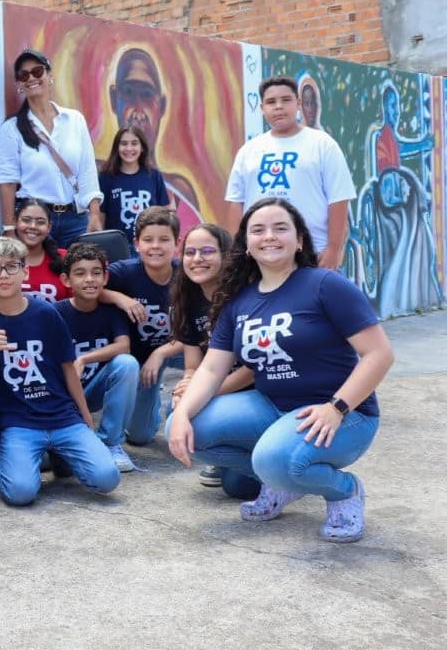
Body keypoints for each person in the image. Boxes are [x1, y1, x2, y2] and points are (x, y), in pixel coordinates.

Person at [167, 198, 393, 543]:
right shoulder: (238, 302)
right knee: (185, 428)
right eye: (258, 230)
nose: (269, 236)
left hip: (345, 414)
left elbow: (379, 354)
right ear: (246, 245)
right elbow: (212, 369)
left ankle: (344, 491)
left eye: (280, 228)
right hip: (274, 408)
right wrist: (182, 412)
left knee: (276, 459)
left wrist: (337, 408)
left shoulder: (325, 285)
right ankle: (285, 481)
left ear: (299, 240)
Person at [0, 236, 120, 506]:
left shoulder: (46, 313)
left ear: (25, 272)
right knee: (21, 494)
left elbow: (68, 367)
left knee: (107, 479)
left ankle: (59, 454)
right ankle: (1, 449)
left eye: (12, 267)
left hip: (62, 416)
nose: (4, 275)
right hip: (16, 421)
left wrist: (85, 418)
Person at [225, 76, 355, 270]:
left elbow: (339, 199)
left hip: (312, 254)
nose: (278, 106)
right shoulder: (248, 150)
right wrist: (237, 253)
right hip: (260, 255)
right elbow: (237, 203)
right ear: (262, 108)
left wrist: (333, 249)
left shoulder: (322, 144)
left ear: (298, 103)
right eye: (271, 102)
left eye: (286, 100)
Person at [168, 223, 258, 498]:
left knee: (239, 488)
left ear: (225, 256)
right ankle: (231, 455)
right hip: (218, 390)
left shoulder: (246, 298)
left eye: (207, 251)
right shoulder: (188, 298)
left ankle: (280, 467)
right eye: (190, 252)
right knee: (172, 413)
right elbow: (194, 365)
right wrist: (185, 385)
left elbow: (252, 370)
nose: (197, 259)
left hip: (256, 394)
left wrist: (204, 394)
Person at [0, 48, 103, 247]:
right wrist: (9, 230)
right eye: (23, 75)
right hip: (34, 221)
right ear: (19, 84)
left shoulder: (74, 120)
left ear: (49, 75)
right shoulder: (12, 129)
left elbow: (87, 170)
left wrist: (94, 214)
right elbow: (7, 182)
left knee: (79, 275)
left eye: (37, 71)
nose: (31, 78)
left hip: (75, 219)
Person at [100, 206, 182, 460]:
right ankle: (151, 399)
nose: (155, 246)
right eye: (148, 239)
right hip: (140, 357)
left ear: (177, 243)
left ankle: (181, 403)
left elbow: (200, 332)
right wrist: (119, 298)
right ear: (136, 244)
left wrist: (161, 353)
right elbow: (90, 289)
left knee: (212, 356)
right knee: (140, 437)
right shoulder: (123, 272)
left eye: (164, 239)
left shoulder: (186, 274)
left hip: (177, 347)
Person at [54, 242, 140, 473]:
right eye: (80, 274)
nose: (89, 279)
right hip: (64, 396)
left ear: (105, 277)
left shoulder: (111, 312)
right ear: (66, 280)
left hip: (92, 388)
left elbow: (124, 346)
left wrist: (83, 360)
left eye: (96, 273)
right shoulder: (56, 312)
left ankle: (111, 443)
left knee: (127, 364)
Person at [107, 47, 201, 232]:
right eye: (128, 92)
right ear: (113, 97)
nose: (138, 108)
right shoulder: (103, 176)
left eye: (147, 95)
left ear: (163, 104)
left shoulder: (177, 188)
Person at [97, 125, 174, 251]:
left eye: (134, 143)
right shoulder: (106, 177)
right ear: (117, 147)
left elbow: (164, 212)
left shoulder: (153, 175)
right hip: (118, 247)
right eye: (124, 144)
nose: (129, 148)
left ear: (142, 147)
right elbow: (101, 216)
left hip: (149, 245)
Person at [15, 197, 71, 303]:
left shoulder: (67, 258)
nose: (33, 226)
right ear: (15, 222)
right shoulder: (2, 261)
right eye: (26, 220)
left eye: (40, 222)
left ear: (49, 227)